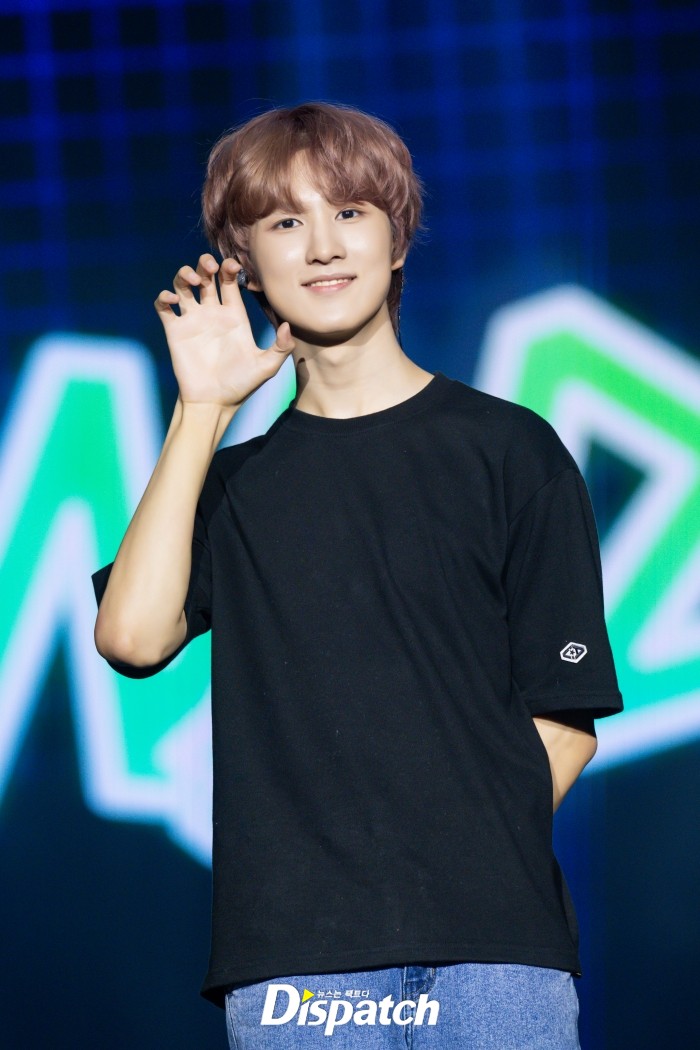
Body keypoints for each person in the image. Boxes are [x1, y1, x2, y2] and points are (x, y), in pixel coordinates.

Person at [92, 101, 623, 1049]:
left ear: (399, 237)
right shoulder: (232, 485)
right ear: (244, 264)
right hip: (296, 961)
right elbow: (131, 638)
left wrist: (450, 870)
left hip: (492, 953)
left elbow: (564, 715)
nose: (324, 246)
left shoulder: (510, 451)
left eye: (350, 212)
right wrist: (201, 411)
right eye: (285, 222)